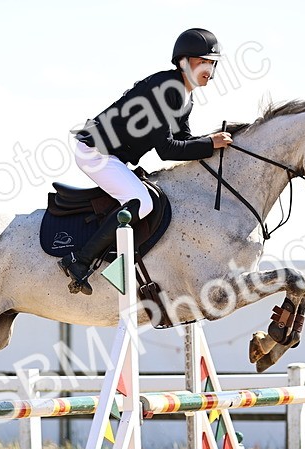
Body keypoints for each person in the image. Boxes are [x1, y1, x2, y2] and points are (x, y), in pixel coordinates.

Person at [60, 28, 234, 295]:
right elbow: (166, 149)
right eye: (203, 62)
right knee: (141, 202)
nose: (209, 69)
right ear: (183, 62)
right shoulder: (167, 90)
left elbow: (184, 139)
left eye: (212, 63)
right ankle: (79, 261)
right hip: (95, 152)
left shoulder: (185, 96)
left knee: (143, 198)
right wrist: (210, 144)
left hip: (112, 155)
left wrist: (211, 142)